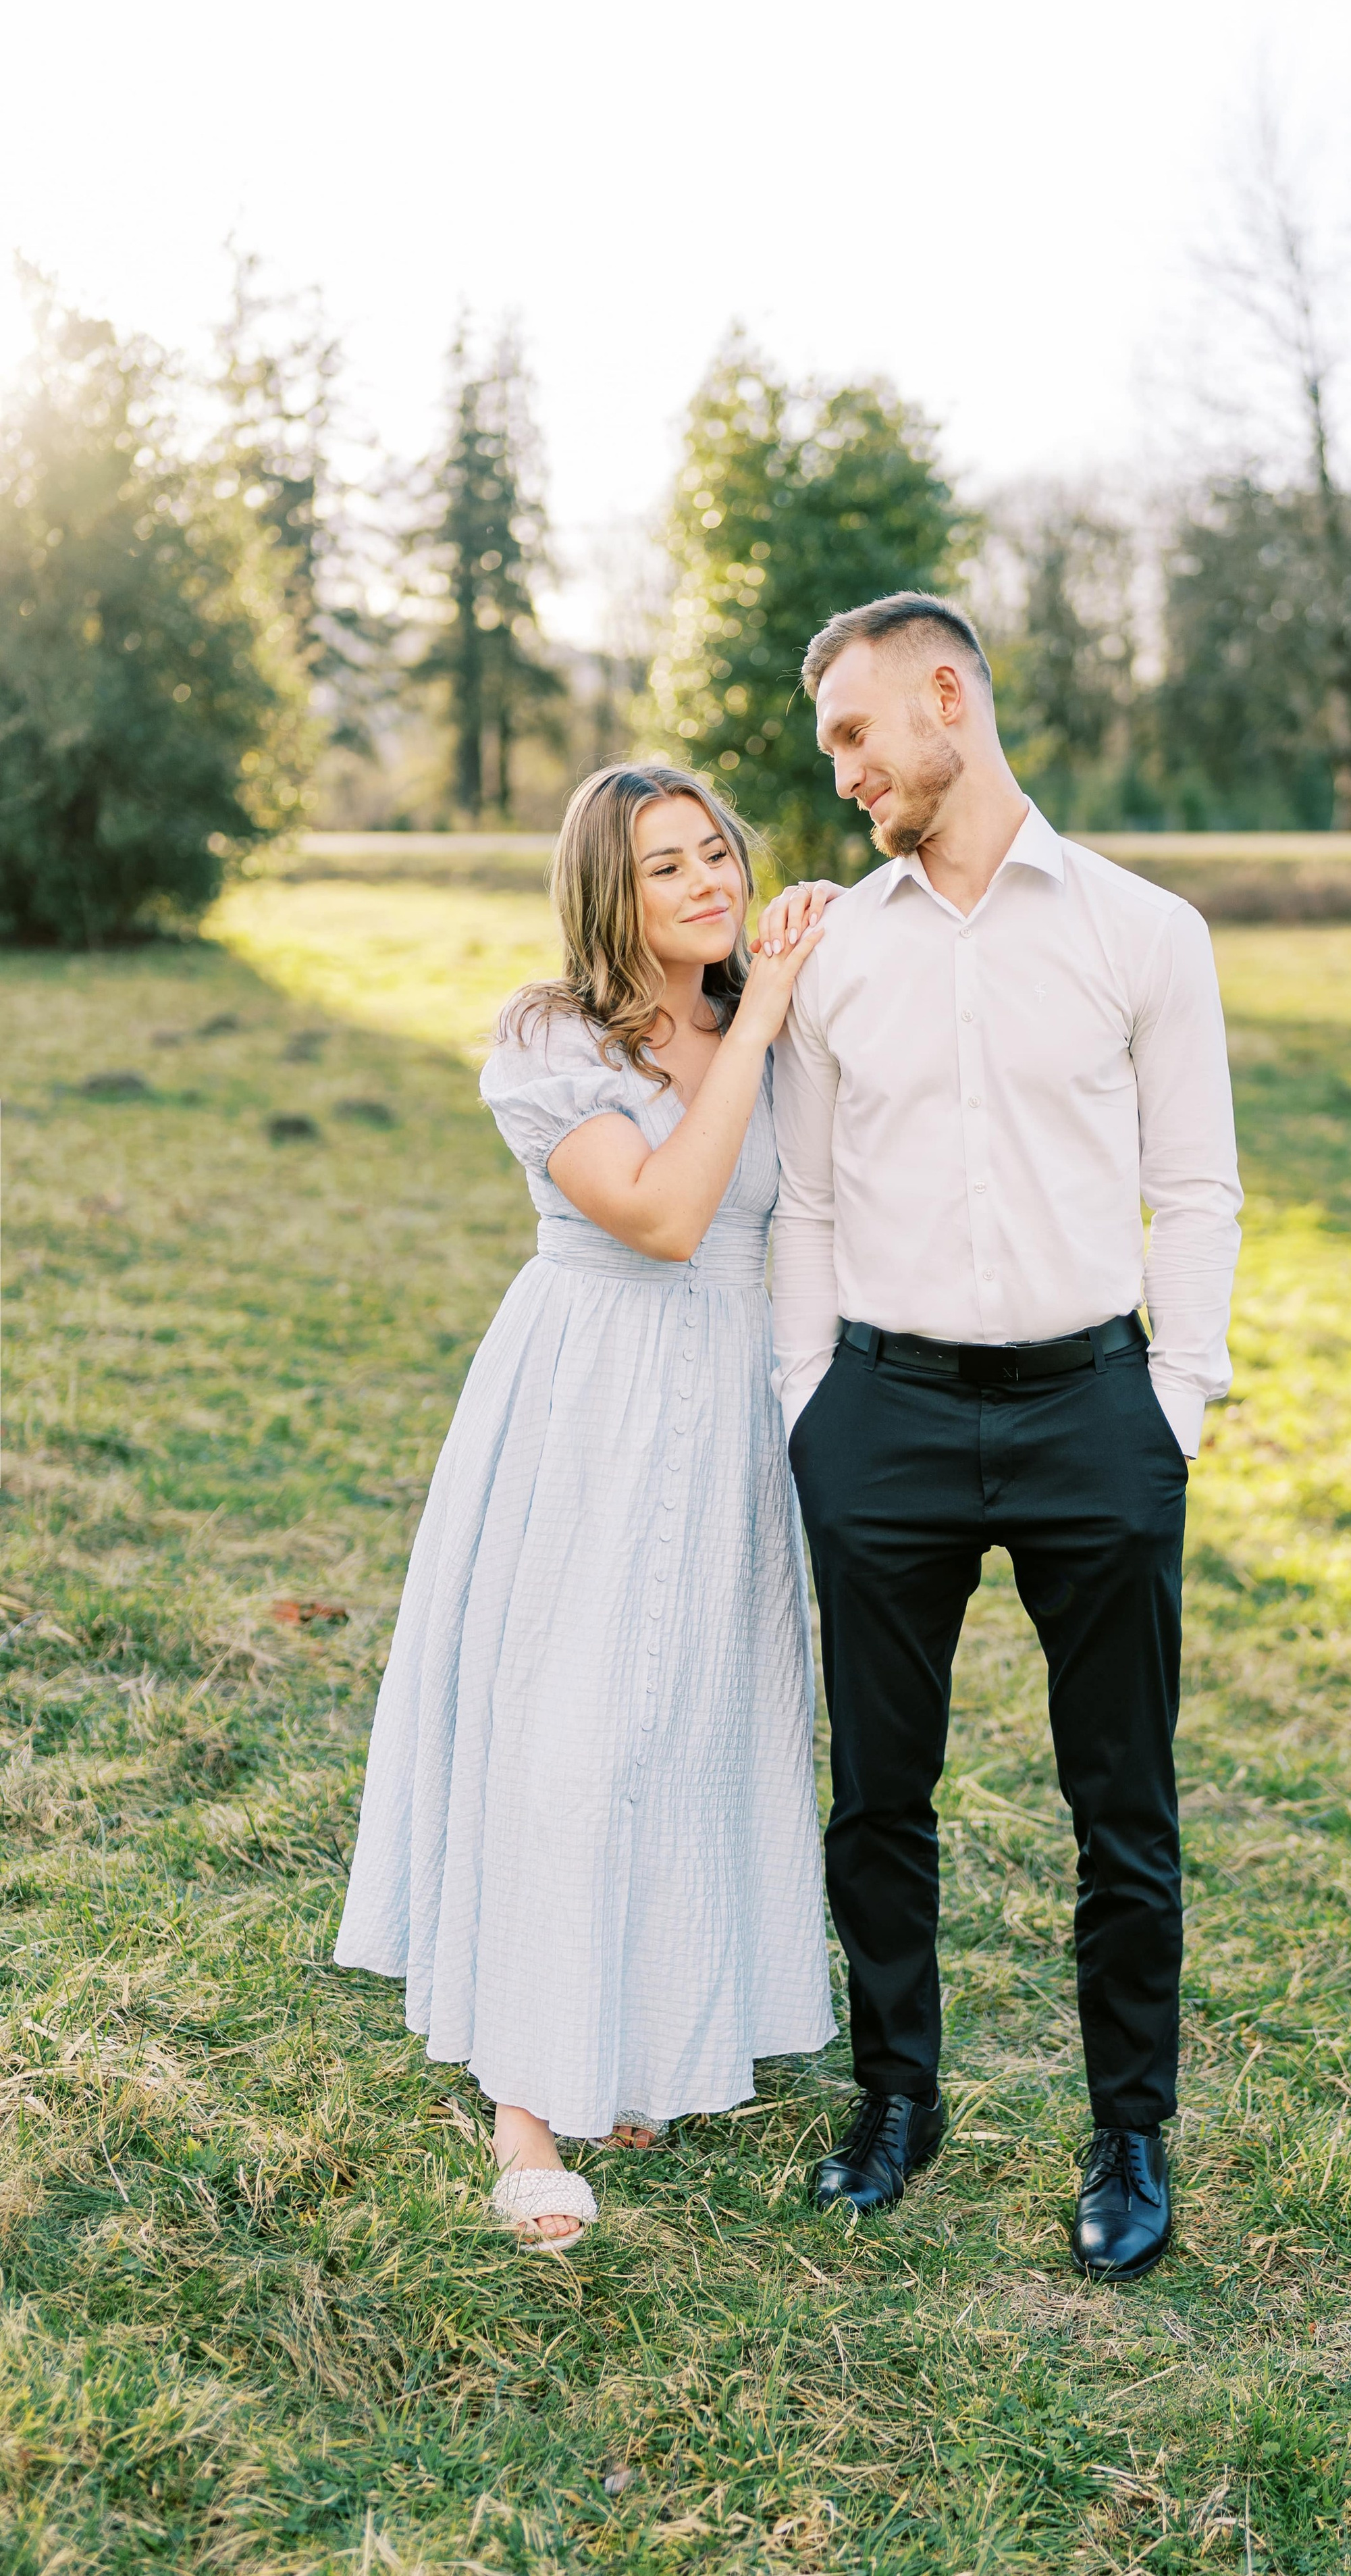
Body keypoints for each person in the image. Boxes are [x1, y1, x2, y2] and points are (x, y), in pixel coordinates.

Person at [770, 594, 1242, 2282]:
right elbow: (806, 1198)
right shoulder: (834, 949)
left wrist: (1168, 1408)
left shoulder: (1142, 931)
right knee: (875, 1797)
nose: (839, 773)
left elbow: (1192, 1187)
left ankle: (1129, 2126)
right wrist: (807, 1406)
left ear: (947, 700)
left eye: (852, 733)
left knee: (1120, 1801)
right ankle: (896, 2098)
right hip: (879, 1419)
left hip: (1090, 1416)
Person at [334, 763, 836, 2248]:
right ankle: (526, 2105)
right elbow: (668, 1216)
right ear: (606, 894)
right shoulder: (550, 1039)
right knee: (570, 1722)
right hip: (591, 1397)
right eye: (664, 866)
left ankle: (643, 2041)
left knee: (690, 1713)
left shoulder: (766, 1014)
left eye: (716, 854)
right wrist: (758, 1017)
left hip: (736, 1405)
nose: (705, 884)